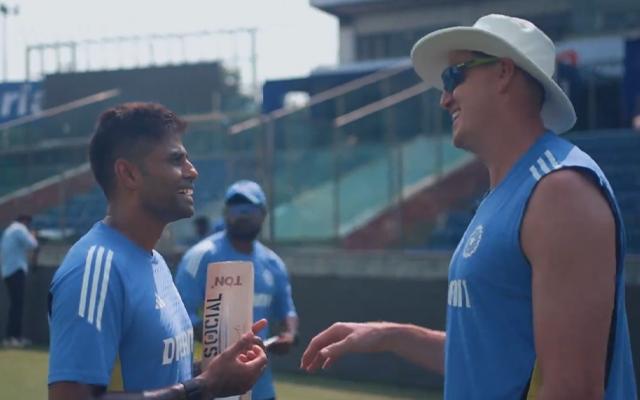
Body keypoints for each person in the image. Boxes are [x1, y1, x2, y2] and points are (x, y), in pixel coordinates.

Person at [301, 14, 637, 399]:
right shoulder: (511, 192)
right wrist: (391, 336)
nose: (445, 98)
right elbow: (488, 356)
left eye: (453, 77)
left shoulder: (559, 190)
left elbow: (571, 389)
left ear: (503, 73)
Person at [48, 103, 267, 400]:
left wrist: (215, 371)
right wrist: (203, 387)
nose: (192, 171)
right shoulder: (94, 268)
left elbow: (157, 373)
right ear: (129, 174)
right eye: (176, 159)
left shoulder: (156, 262)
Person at [176, 180, 298, 400]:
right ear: (225, 213)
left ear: (262, 214)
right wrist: (221, 337)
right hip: (213, 387)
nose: (242, 215)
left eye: (249, 209)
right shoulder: (201, 255)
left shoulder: (273, 263)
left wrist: (289, 334)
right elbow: (180, 315)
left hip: (261, 390)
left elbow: (287, 311)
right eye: (235, 209)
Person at [0, 214, 38, 348]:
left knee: (15, 306)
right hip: (16, 270)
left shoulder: (9, 230)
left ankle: (11, 336)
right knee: (17, 306)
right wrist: (33, 235)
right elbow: (32, 244)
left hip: (7, 271)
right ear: (25, 221)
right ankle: (14, 337)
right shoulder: (19, 229)